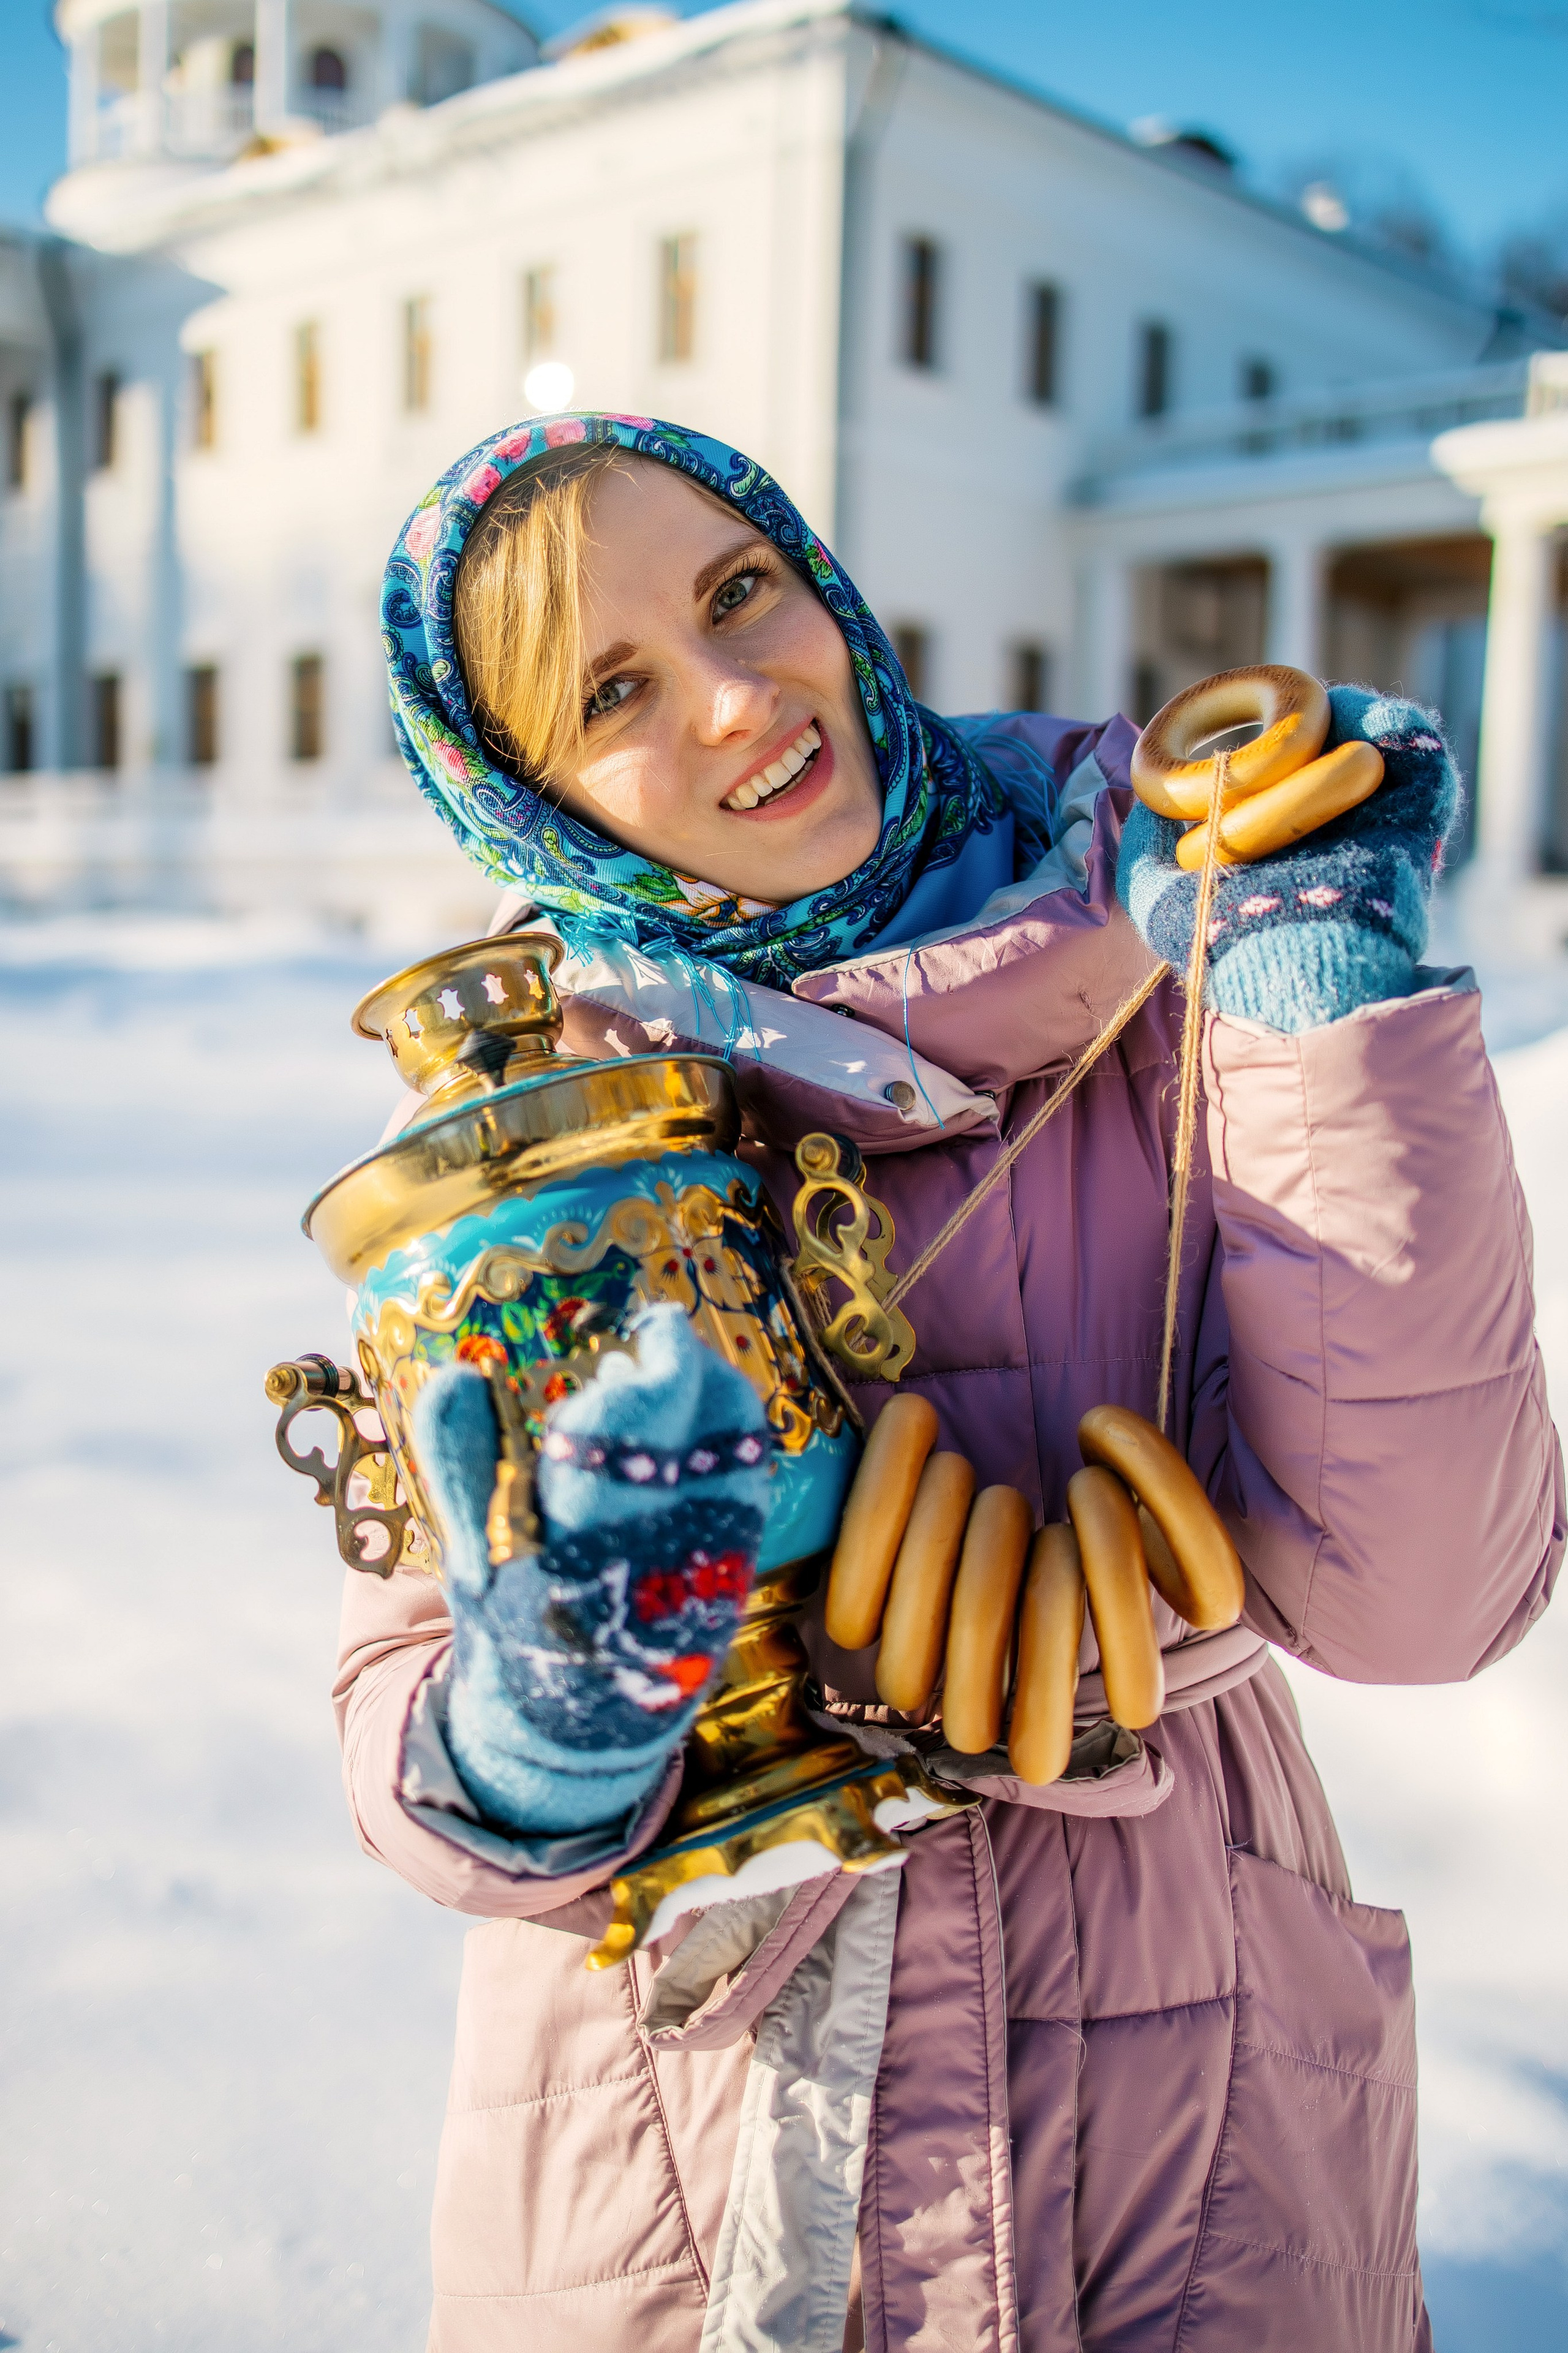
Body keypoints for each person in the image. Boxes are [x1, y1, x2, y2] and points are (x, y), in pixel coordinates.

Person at [337, 415, 1561, 2353]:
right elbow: (398, 1707)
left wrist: (1316, 1010)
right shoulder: (531, 1155)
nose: (743, 697)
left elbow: (1424, 1597)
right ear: (526, 795)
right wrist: (532, 1735)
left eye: (741, 591)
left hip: (1190, 2100)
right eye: (617, 689)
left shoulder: (1183, 952)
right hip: (695, 2142)